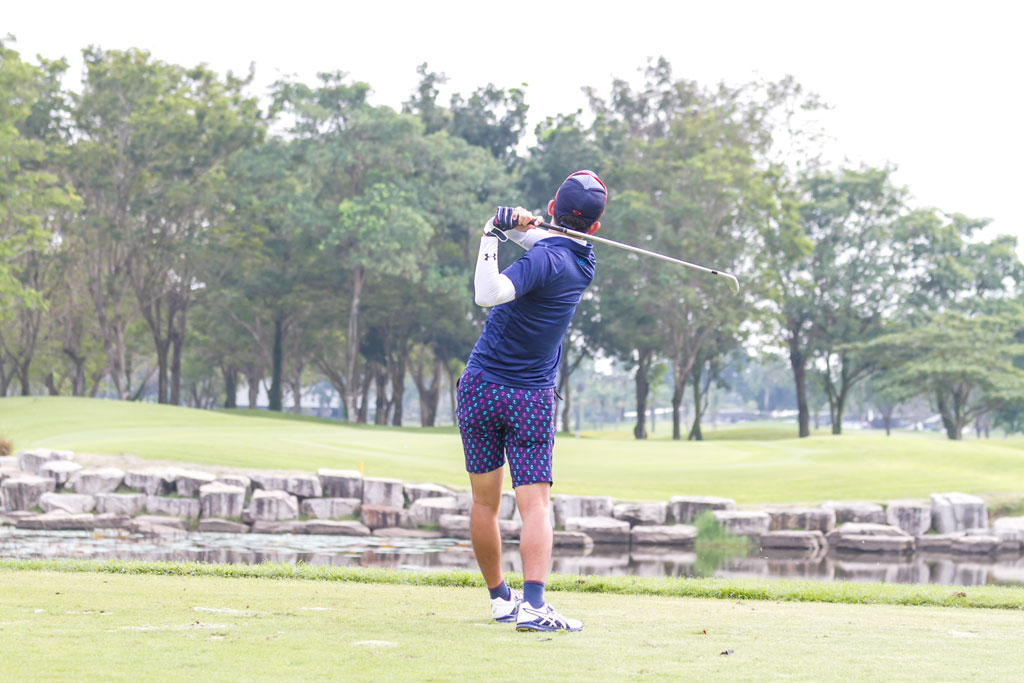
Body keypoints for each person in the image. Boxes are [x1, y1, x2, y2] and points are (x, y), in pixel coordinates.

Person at [456, 170, 607, 632]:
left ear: (552, 206)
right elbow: (547, 242)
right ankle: (534, 607)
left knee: (484, 503)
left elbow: (487, 294)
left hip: (480, 387)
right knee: (536, 505)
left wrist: (492, 232)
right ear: (595, 227)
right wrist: (518, 227)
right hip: (529, 398)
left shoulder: (544, 257)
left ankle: (501, 600)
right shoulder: (583, 262)